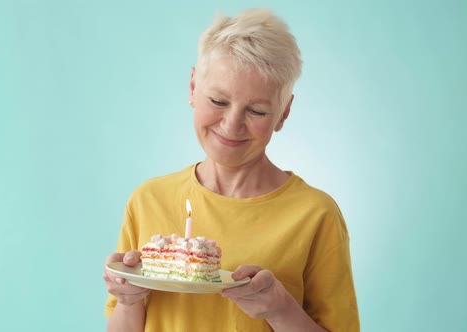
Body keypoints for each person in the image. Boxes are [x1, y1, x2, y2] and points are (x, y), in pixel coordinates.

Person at [103, 8, 360, 331]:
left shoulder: (315, 215)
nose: (231, 124)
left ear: (284, 113)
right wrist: (128, 299)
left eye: (256, 110)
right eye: (219, 101)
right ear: (193, 87)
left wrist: (281, 309)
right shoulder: (148, 200)